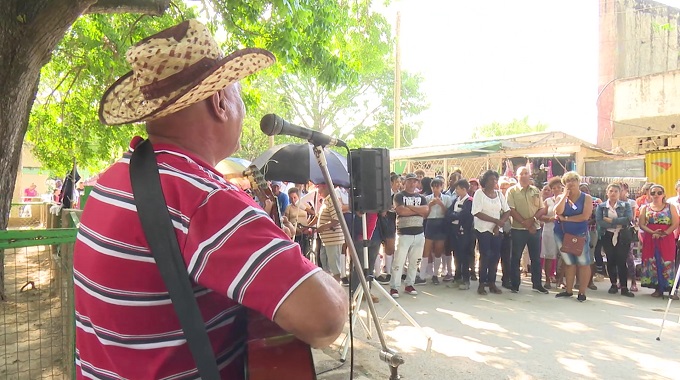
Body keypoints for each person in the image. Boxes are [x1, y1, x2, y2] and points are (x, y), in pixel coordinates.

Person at [73, 20, 347, 379]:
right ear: (219, 101)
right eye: (239, 92)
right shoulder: (204, 198)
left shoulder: (113, 181)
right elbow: (325, 319)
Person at [507, 166, 548, 294]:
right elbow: (511, 210)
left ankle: (537, 284)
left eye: (526, 173)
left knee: (536, 258)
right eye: (521, 174)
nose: (524, 176)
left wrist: (533, 220)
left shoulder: (535, 190)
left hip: (534, 230)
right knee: (515, 257)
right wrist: (527, 224)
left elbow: (542, 208)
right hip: (518, 229)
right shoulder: (511, 191)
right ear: (517, 176)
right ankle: (515, 284)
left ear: (529, 175)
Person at [553, 171, 594, 302]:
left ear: (578, 182)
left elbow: (585, 216)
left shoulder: (586, 197)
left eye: (573, 180)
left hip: (579, 234)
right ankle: (568, 290)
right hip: (562, 234)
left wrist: (565, 219)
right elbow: (557, 211)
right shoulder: (561, 197)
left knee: (583, 263)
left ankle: (582, 292)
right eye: (568, 181)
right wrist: (564, 195)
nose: (571, 183)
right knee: (569, 262)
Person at [472, 170, 511, 295]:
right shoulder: (479, 193)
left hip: (496, 230)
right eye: (490, 180)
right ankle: (482, 283)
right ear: (485, 181)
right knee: (485, 255)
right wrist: (495, 221)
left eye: (495, 179)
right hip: (483, 229)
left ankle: (492, 282)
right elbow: (476, 212)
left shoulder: (499, 195)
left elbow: (507, 211)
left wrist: (499, 224)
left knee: (495, 256)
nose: (494, 182)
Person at [390, 173, 428, 298]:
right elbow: (400, 211)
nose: (413, 183)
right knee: (399, 261)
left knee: (414, 261)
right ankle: (394, 287)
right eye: (410, 181)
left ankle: (409, 284)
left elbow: (426, 211)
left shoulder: (421, 197)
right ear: (405, 182)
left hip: (419, 233)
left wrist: (410, 207)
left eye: (415, 181)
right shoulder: (399, 196)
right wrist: (418, 209)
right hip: (403, 233)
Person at [639, 184, 680, 299]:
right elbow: (641, 224)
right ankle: (657, 287)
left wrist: (665, 233)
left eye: (658, 192)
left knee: (667, 261)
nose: (656, 195)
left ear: (663, 194)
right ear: (649, 194)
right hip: (650, 237)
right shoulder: (645, 208)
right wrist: (653, 233)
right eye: (653, 193)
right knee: (652, 260)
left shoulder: (670, 206)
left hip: (666, 237)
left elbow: (675, 222)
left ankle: (671, 288)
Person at [596, 183, 634, 297]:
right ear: (607, 193)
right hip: (607, 235)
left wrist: (611, 221)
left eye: (616, 191)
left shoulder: (625, 205)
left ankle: (624, 286)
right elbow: (600, 221)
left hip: (622, 235)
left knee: (622, 261)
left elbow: (627, 219)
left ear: (619, 193)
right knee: (611, 260)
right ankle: (613, 284)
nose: (613, 193)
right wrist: (616, 221)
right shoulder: (602, 206)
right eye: (611, 191)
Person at [421, 178, 452, 284]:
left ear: (442, 187)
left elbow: (448, 213)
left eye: (438, 187)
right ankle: (422, 275)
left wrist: (440, 204)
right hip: (430, 223)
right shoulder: (427, 198)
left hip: (441, 223)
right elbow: (424, 215)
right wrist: (430, 205)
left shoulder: (447, 198)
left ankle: (435, 275)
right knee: (427, 249)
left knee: (439, 249)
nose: (436, 189)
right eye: (434, 187)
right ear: (431, 187)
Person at [446, 179, 474, 290]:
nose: (456, 191)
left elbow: (465, 216)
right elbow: (448, 213)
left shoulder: (469, 201)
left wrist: (455, 215)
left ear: (464, 189)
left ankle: (466, 280)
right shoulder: (456, 200)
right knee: (456, 255)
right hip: (454, 231)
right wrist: (454, 215)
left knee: (464, 256)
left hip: (465, 232)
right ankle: (457, 278)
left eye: (458, 189)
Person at [539, 177, 562, 289]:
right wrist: (550, 219)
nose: (557, 189)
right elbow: (540, 215)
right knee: (549, 256)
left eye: (559, 187)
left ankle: (561, 281)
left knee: (564, 257)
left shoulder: (567, 200)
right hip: (549, 230)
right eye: (554, 188)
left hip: (563, 231)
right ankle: (547, 279)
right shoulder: (547, 201)